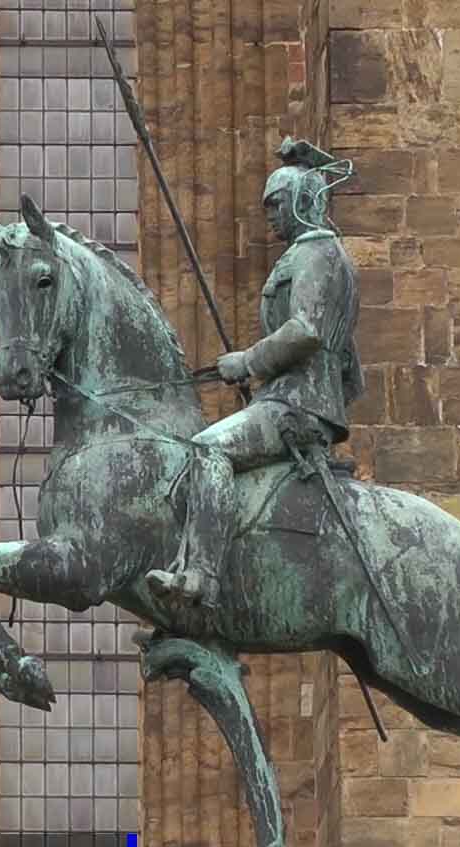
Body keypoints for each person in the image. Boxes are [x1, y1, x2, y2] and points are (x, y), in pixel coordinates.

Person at [145, 138, 363, 611]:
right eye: (267, 206)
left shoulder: (319, 254)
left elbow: (305, 329)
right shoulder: (310, 254)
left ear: (306, 201)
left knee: (205, 450)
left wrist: (248, 361)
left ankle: (201, 577)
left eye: (278, 204)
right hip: (286, 396)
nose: (271, 216)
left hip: (298, 404)